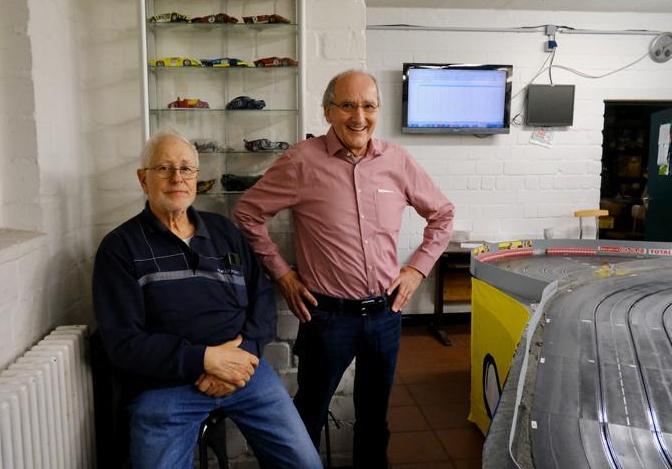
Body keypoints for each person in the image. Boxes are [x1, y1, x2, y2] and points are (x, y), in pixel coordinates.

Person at [234, 70, 455, 467]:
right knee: (309, 414)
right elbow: (248, 213)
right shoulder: (301, 161)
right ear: (328, 111)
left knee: (374, 419)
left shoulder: (397, 161)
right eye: (348, 105)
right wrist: (282, 274)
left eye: (368, 106)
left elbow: (442, 214)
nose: (359, 117)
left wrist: (416, 270)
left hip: (385, 314)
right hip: (327, 318)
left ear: (378, 110)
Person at [92, 128, 322, 469]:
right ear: (143, 179)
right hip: (165, 386)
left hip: (244, 372)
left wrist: (243, 354)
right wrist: (205, 360)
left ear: (196, 178)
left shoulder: (224, 232)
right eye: (164, 168)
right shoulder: (120, 247)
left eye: (186, 169)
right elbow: (123, 343)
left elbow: (262, 300)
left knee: (305, 463)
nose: (177, 178)